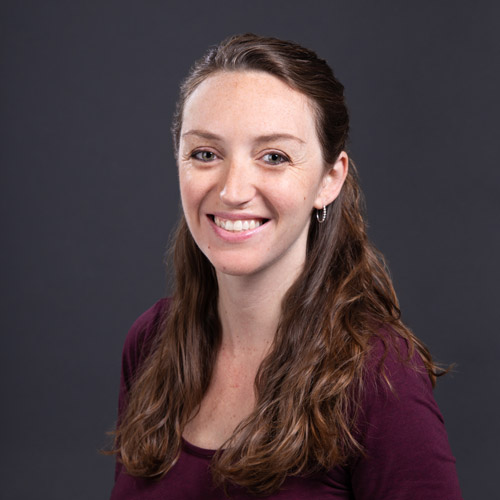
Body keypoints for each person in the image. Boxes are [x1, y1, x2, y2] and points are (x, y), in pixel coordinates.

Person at [109, 33, 462, 499]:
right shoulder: (152, 341)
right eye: (205, 154)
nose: (233, 189)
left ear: (329, 180)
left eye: (274, 157)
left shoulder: (379, 376)